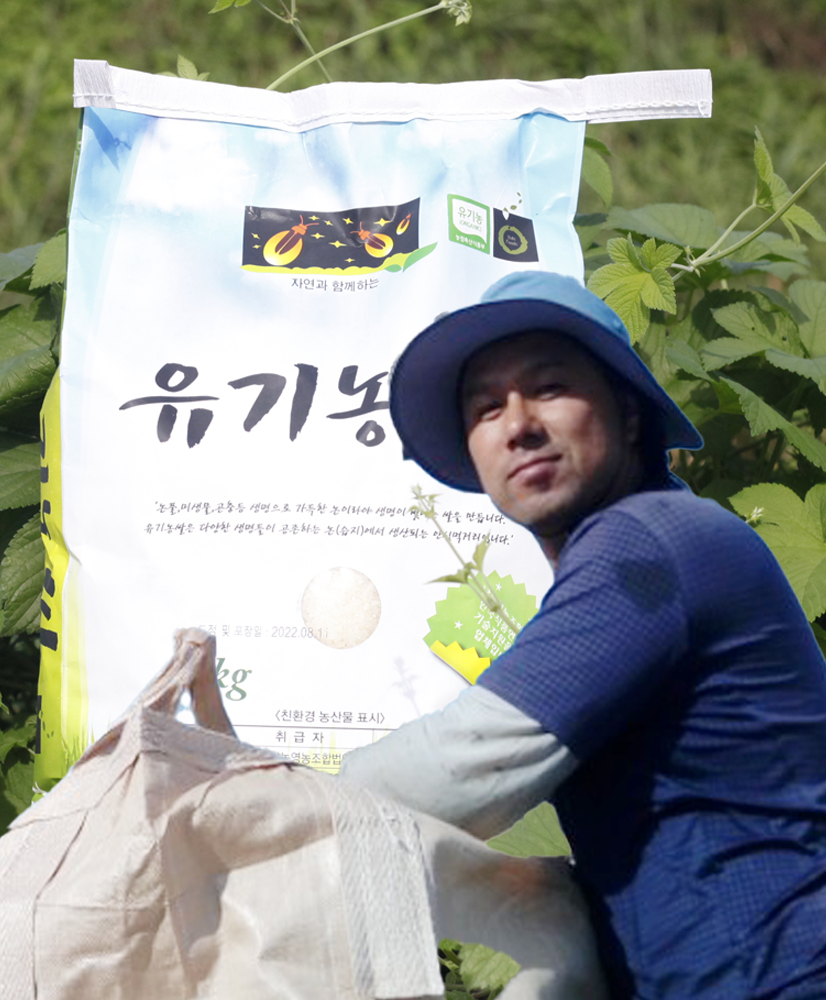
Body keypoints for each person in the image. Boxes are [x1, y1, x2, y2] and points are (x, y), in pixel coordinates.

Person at [339, 270, 826, 999]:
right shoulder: (656, 544)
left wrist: (237, 802)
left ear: (629, 413)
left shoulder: (650, 543)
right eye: (485, 407)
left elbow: (462, 770)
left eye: (550, 387)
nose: (517, 424)